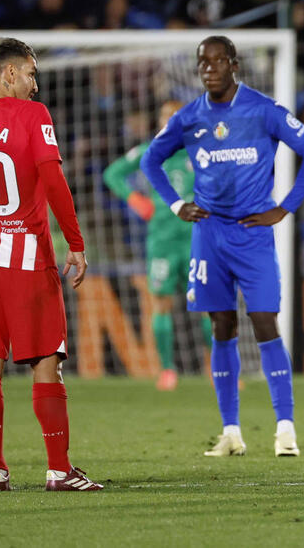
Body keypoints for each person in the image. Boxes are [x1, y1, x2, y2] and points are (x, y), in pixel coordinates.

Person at [141, 36, 304, 458]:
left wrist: (285, 208)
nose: (209, 68)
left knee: (264, 323)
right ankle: (231, 431)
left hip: (253, 233)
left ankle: (285, 429)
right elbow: (150, 160)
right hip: (208, 235)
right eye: (202, 62)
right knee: (221, 327)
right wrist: (175, 204)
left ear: (233, 64)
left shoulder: (263, 110)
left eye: (217, 60)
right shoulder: (189, 117)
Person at [0, 38, 101, 492]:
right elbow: (53, 180)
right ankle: (58, 470)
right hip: (26, 257)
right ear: (8, 74)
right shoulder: (34, 115)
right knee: (47, 362)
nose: (35, 83)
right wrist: (76, 242)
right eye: (30, 73)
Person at [103, 100, 213, 391]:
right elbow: (112, 173)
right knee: (161, 305)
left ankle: (217, 369)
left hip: (196, 239)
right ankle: (167, 370)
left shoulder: (201, 152)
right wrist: (136, 200)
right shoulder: (149, 152)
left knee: (208, 304)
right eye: (166, 118)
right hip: (162, 242)